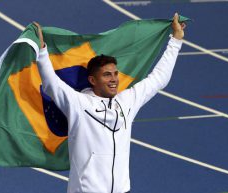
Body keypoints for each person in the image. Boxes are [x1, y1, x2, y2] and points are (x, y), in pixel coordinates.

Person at [34, 13, 185, 193]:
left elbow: (159, 78)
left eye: (115, 74)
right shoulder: (79, 104)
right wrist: (42, 50)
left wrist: (175, 40)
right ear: (92, 79)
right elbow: (52, 84)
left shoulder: (127, 101)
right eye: (107, 75)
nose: (114, 79)